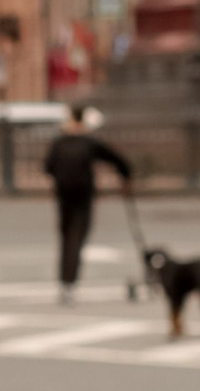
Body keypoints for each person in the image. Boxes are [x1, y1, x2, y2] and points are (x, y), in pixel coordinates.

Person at [41, 101, 132, 298]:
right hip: (83, 196)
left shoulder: (59, 142)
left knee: (66, 239)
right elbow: (117, 159)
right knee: (77, 237)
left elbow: (47, 167)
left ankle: (65, 282)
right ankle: (70, 282)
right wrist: (125, 175)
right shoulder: (88, 143)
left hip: (64, 196)